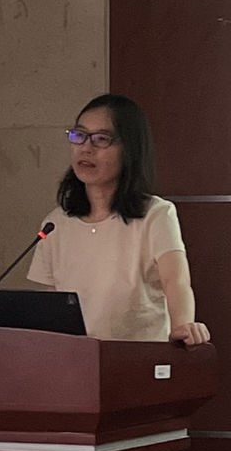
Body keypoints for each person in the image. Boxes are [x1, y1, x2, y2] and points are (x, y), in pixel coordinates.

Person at [27, 94, 212, 346]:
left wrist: (183, 327)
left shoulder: (156, 214)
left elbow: (176, 282)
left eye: (101, 139)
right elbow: (52, 306)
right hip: (76, 361)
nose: (86, 148)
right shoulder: (55, 223)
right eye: (79, 135)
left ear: (129, 149)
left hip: (137, 358)